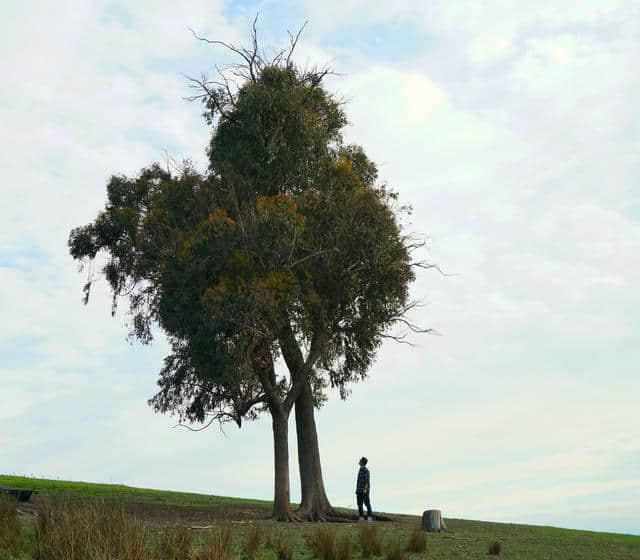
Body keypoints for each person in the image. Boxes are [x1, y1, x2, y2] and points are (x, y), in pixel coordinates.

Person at [356, 456, 373, 521]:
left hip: (364, 490)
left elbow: (367, 480)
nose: (359, 461)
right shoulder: (360, 470)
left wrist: (365, 489)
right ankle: (361, 517)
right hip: (359, 490)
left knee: (367, 503)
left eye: (360, 460)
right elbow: (358, 481)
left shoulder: (366, 471)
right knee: (359, 504)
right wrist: (357, 489)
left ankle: (369, 517)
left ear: (362, 462)